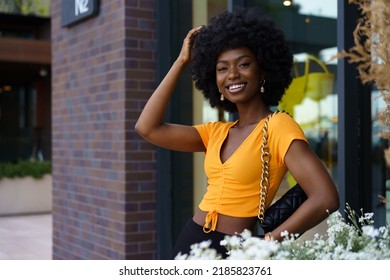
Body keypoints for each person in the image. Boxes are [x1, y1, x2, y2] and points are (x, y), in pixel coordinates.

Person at [135, 7, 340, 259]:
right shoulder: (216, 132)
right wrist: (181, 62)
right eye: (222, 68)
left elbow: (326, 197)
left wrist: (268, 242)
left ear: (263, 71)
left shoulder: (278, 126)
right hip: (192, 239)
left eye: (244, 64)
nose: (232, 74)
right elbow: (147, 128)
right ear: (214, 78)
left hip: (235, 249)